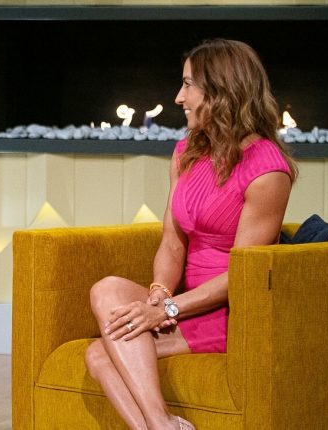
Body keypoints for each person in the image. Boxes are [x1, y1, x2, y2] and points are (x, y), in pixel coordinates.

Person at [83, 39, 298, 430]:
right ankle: (162, 424)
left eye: (187, 85)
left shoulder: (268, 170)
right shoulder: (186, 152)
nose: (178, 97)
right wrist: (159, 294)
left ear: (220, 92)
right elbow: (172, 241)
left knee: (99, 355)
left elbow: (243, 274)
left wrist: (168, 310)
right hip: (182, 301)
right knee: (106, 289)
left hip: (231, 310)